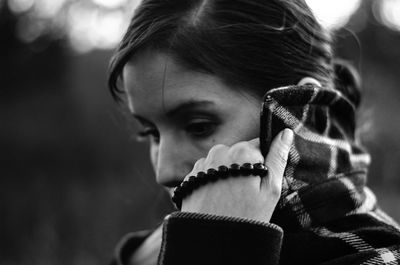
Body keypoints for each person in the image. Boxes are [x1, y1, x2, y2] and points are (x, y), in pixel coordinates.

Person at [107, 0, 400, 264]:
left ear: (300, 111)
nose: (163, 170)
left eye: (198, 126)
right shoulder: (153, 250)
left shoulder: (375, 255)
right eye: (152, 134)